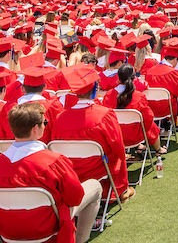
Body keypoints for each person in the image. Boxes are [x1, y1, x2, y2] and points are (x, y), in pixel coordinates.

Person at [0, 102, 102, 243]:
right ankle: (81, 240)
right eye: (44, 122)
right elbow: (75, 198)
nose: (46, 125)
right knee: (95, 186)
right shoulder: (53, 162)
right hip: (47, 229)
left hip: (8, 232)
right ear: (36, 128)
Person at [50, 64, 134, 202]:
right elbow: (118, 147)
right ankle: (116, 191)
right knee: (118, 155)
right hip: (97, 168)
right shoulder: (104, 114)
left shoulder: (60, 117)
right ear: (95, 89)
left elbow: (56, 145)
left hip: (69, 169)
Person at [102, 64, 166, 155]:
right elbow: (148, 119)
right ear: (134, 78)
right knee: (151, 125)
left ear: (118, 78)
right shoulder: (139, 96)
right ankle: (158, 149)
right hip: (136, 136)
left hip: (115, 136)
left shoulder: (108, 96)